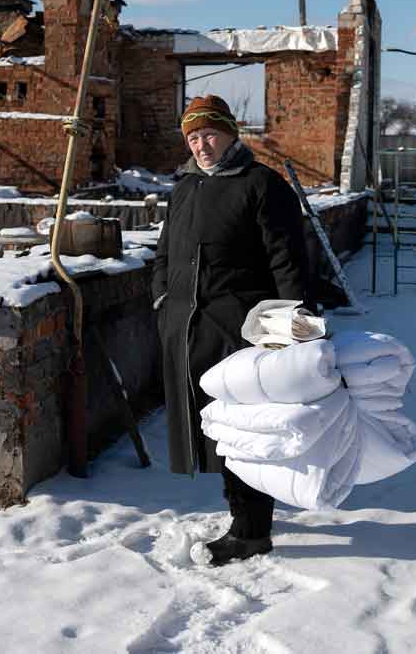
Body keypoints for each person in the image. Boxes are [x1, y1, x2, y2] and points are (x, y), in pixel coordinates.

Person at [152, 94, 310, 566]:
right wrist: (162, 299)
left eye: (210, 135)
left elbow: (289, 262)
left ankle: (250, 530)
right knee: (215, 431)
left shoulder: (262, 184)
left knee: (245, 431)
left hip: (245, 332)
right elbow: (163, 254)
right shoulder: (184, 188)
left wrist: (292, 333)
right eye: (193, 137)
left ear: (231, 134)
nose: (202, 145)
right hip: (189, 330)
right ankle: (244, 518)